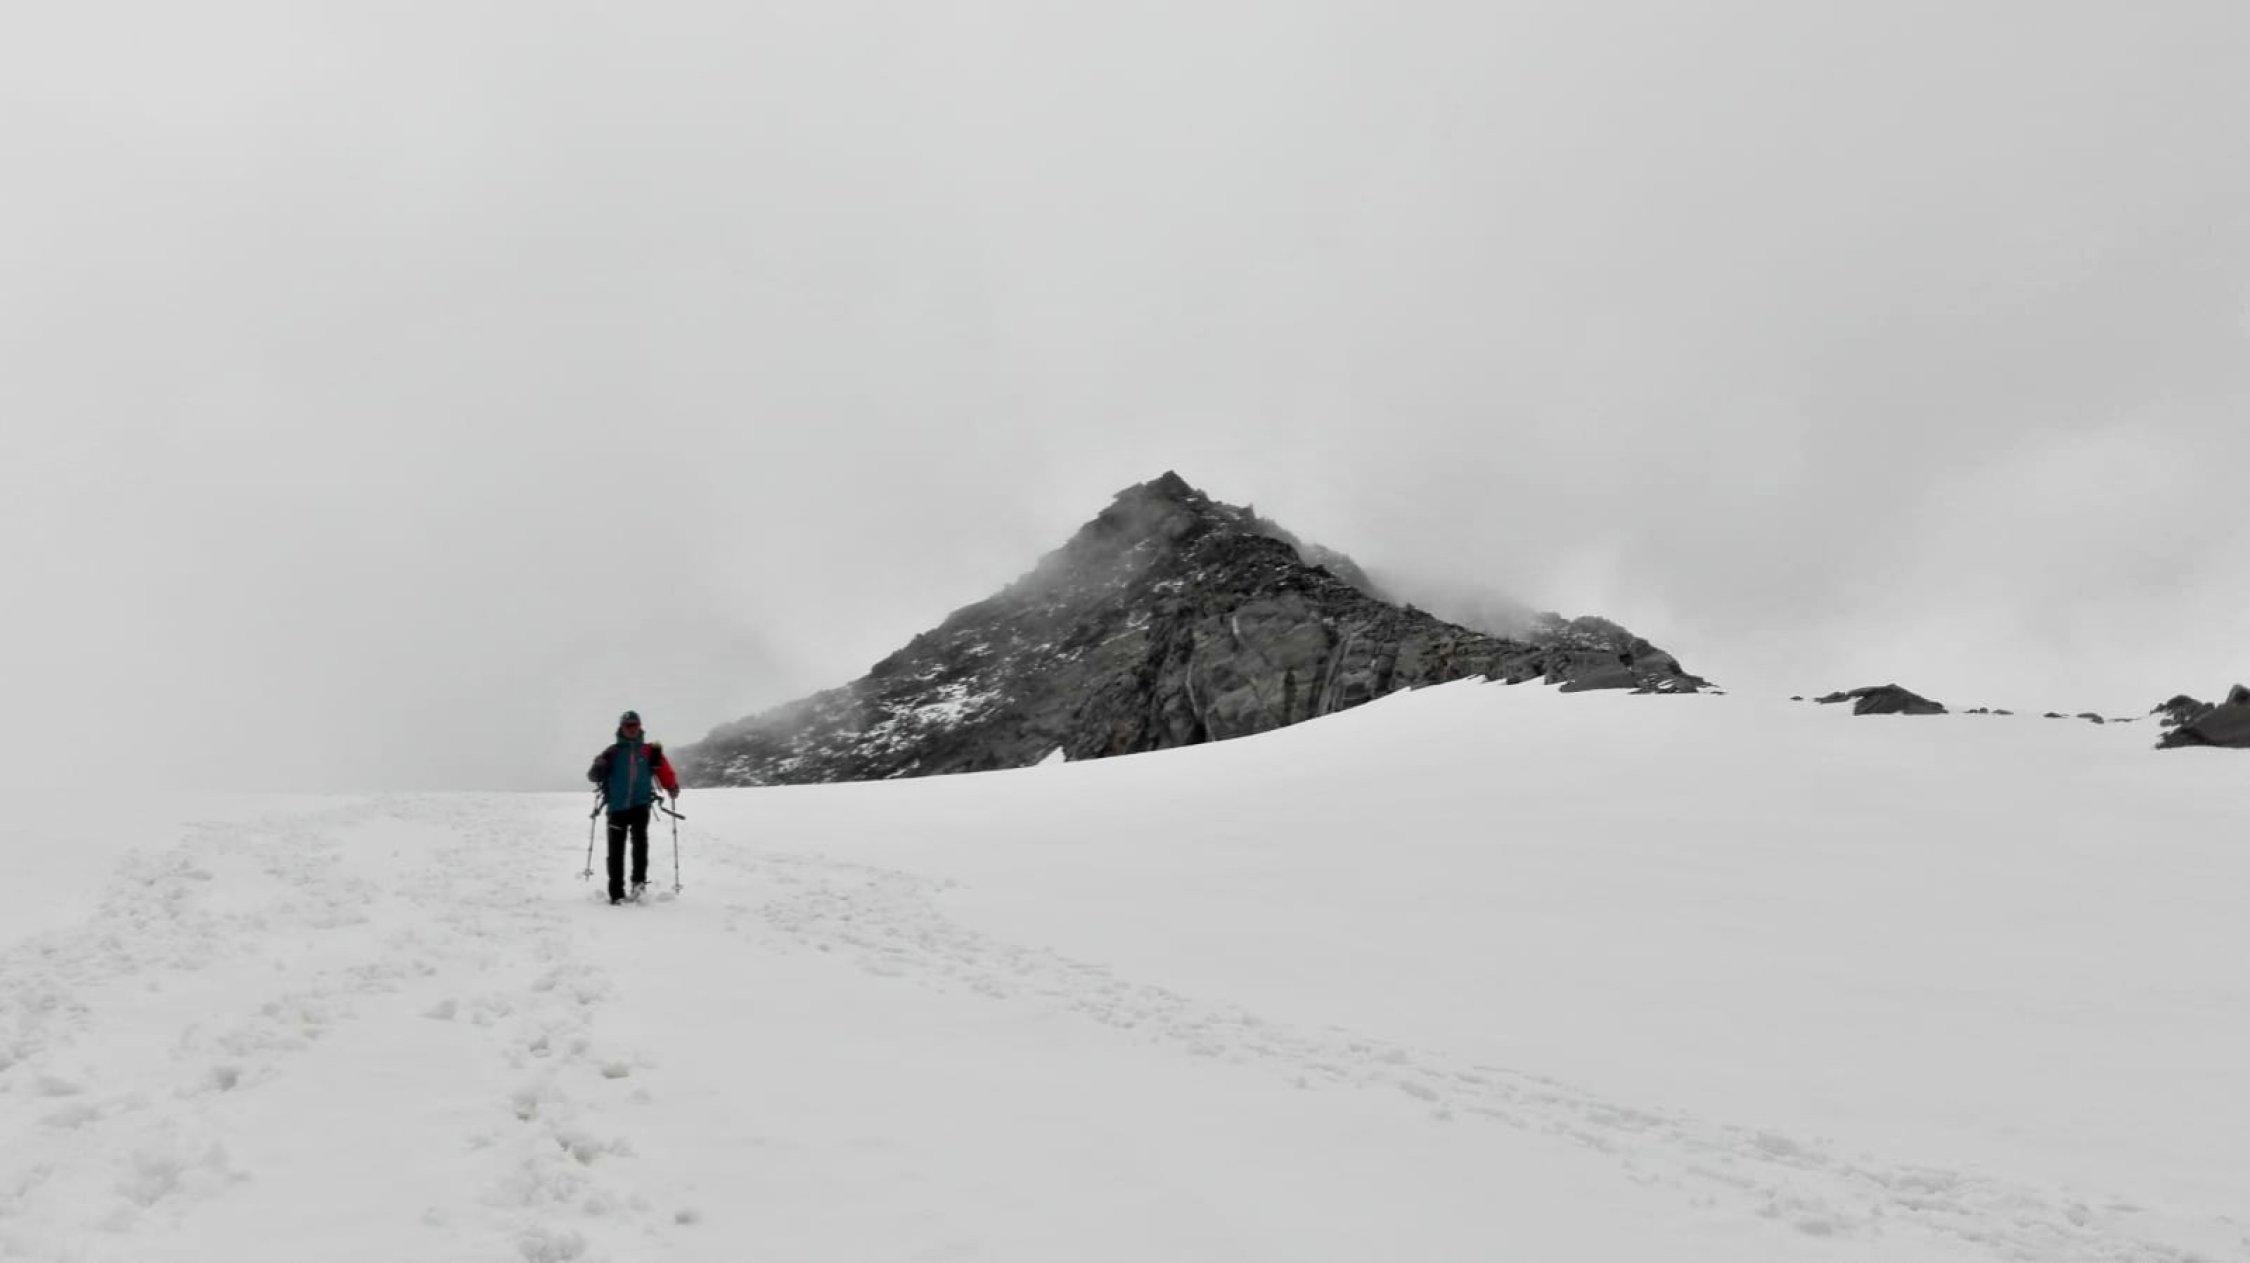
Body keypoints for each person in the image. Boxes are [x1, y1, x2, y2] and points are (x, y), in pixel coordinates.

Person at [586, 710, 680, 904]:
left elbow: (664, 771)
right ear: (621, 728)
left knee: (640, 847)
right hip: (616, 807)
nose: (632, 728)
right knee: (615, 851)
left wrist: (671, 786)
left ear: (640, 726)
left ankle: (638, 886)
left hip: (640, 805)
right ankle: (616, 894)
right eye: (628, 725)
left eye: (635, 725)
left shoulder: (650, 751)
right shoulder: (612, 752)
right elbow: (594, 777)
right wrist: (598, 765)